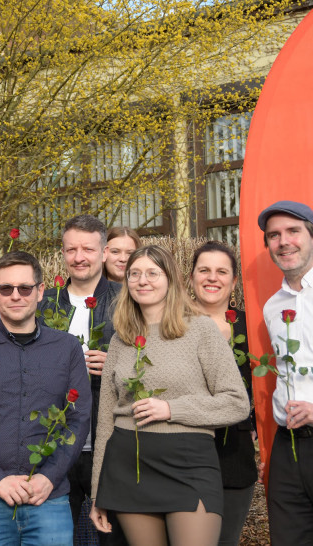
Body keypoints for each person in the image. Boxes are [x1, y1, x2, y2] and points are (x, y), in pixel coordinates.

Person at [89, 245, 250, 546]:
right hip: (129, 465)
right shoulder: (120, 340)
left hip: (189, 464)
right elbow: (105, 424)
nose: (142, 280)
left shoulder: (201, 330)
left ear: (171, 279)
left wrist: (172, 409)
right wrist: (99, 490)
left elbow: (237, 402)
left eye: (153, 273)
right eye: (134, 273)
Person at [0, 251, 92, 545]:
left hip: (47, 496)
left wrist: (49, 477)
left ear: (40, 292)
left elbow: (78, 419)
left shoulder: (66, 348)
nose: (16, 296)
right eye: (6, 288)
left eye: (25, 288)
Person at [37, 214, 126, 546]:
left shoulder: (126, 300)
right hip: (56, 439)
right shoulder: (44, 303)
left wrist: (115, 362)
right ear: (63, 253)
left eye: (87, 249)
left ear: (103, 252)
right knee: (62, 535)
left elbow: (151, 360)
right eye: (71, 249)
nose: (79, 257)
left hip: (109, 439)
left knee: (113, 533)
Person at [190, 241, 256, 546]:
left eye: (221, 271)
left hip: (236, 455)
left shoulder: (252, 327)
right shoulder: (172, 325)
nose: (212, 278)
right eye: (204, 270)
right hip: (183, 454)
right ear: (191, 277)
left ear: (234, 280)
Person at [257, 200, 313, 545]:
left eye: (293, 231)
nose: (283, 241)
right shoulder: (272, 306)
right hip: (288, 448)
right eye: (274, 235)